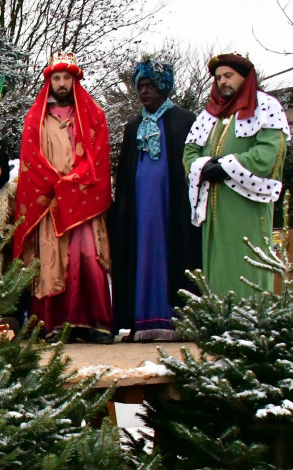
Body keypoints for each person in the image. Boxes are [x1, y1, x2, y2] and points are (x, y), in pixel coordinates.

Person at [14, 52, 113, 344]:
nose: (61, 83)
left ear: (74, 81)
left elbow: (98, 157)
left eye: (66, 78)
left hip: (82, 200)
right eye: (56, 78)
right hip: (51, 200)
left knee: (88, 258)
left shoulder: (94, 115)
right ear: (49, 82)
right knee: (51, 262)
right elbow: (30, 159)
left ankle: (94, 323)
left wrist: (74, 183)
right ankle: (53, 323)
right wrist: (56, 184)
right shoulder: (36, 118)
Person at [183, 53, 290, 297]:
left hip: (247, 203)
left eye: (228, 76)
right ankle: (220, 321)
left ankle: (251, 321)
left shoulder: (266, 106)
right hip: (213, 203)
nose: (222, 81)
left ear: (244, 77)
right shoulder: (209, 115)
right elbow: (189, 151)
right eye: (219, 77)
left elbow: (268, 153)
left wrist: (226, 167)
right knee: (218, 262)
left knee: (247, 259)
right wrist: (202, 167)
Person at [110, 59, 199, 341]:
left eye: (150, 86)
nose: (144, 91)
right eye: (141, 86)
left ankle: (175, 319)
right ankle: (141, 319)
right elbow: (124, 172)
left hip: (171, 206)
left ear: (163, 87)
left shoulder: (184, 120)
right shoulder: (132, 126)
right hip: (139, 208)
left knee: (171, 254)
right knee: (140, 256)